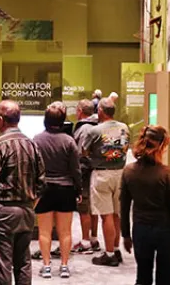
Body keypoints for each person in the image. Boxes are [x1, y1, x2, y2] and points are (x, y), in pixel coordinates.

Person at [120, 125, 170, 285]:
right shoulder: (166, 174)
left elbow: (124, 207)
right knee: (164, 278)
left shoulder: (128, 171)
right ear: (162, 146)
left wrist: (126, 235)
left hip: (140, 229)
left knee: (143, 277)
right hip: (165, 232)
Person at [0, 100, 46, 285]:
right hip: (27, 211)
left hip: (3, 211)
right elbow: (42, 183)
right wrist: (29, 205)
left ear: (1, 119)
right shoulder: (32, 144)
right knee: (23, 263)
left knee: (1, 265)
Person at [32, 102, 82, 279]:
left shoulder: (37, 139)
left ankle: (46, 266)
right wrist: (79, 189)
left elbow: (33, 167)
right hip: (65, 189)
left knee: (44, 231)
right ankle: (64, 265)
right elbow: (75, 169)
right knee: (65, 231)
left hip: (44, 189)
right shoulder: (69, 141)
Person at [80, 97, 130, 267]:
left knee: (106, 215)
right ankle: (116, 249)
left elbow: (84, 151)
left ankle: (108, 254)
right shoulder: (124, 127)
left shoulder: (95, 131)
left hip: (102, 174)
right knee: (117, 214)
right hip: (121, 173)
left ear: (100, 111)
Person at [71, 99, 100, 254]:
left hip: (85, 173)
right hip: (96, 171)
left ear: (80, 111)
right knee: (93, 207)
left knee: (84, 208)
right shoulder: (97, 126)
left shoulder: (84, 129)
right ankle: (93, 238)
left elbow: (82, 154)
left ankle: (86, 242)